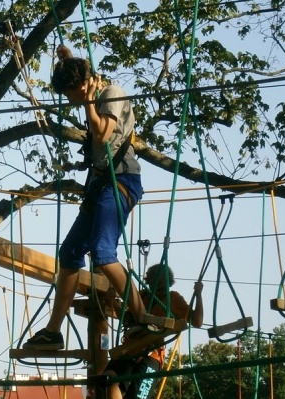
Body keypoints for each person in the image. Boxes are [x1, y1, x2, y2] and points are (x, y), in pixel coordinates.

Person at [23, 45, 144, 350]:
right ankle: (53, 332)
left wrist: (88, 102)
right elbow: (83, 72)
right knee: (69, 253)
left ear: (82, 86)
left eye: (70, 93)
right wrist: (66, 58)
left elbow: (102, 134)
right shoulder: (90, 85)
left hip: (121, 182)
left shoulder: (110, 93)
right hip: (100, 184)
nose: (69, 100)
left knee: (103, 254)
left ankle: (142, 318)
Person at [104, 263, 204, 399]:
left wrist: (198, 295)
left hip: (151, 354)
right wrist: (113, 302)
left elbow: (197, 322)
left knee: (137, 396)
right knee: (109, 380)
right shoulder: (141, 296)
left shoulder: (173, 299)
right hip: (130, 349)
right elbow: (127, 318)